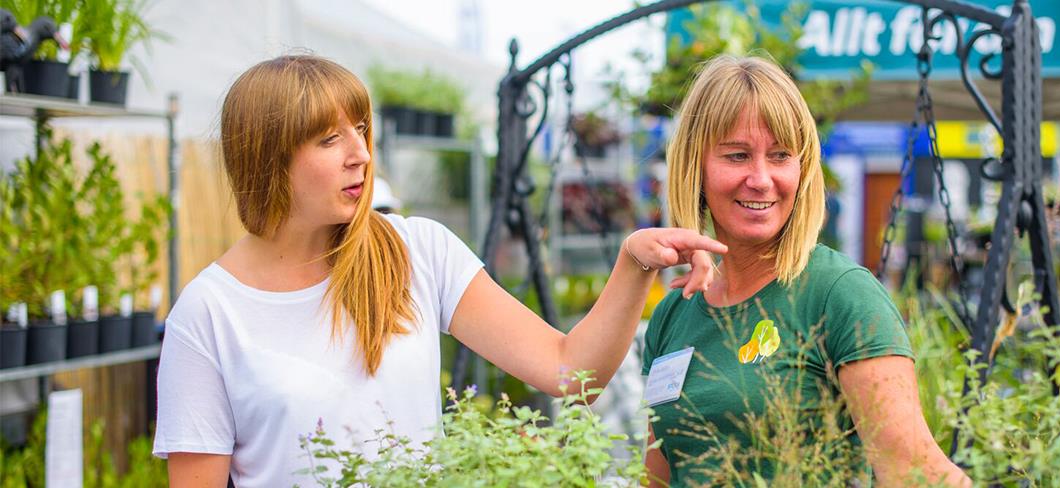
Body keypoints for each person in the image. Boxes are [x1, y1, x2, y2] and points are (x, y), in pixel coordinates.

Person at [152, 55, 727, 487]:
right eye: (330, 139)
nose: (360, 153)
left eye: (361, 129)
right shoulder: (208, 315)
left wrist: (632, 264)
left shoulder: (415, 252)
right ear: (267, 158)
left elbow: (572, 371)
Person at [641, 55, 970, 487]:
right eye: (737, 156)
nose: (761, 179)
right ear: (695, 167)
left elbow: (916, 473)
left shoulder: (838, 294)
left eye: (780, 156)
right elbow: (657, 479)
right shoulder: (673, 315)